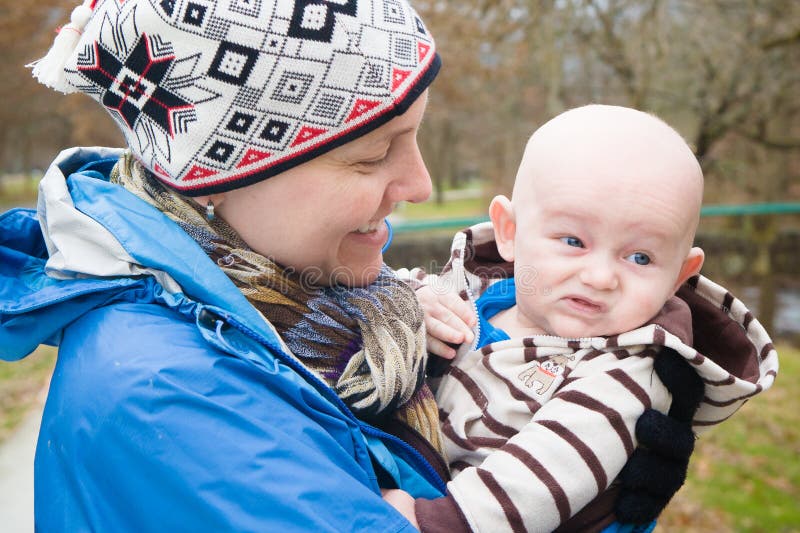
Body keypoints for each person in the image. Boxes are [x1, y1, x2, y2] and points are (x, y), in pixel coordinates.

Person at [0, 1, 720, 530]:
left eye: (414, 138)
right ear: (219, 174)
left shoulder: (298, 312)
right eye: (373, 153)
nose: (421, 185)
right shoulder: (174, 393)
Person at [405, 105, 779, 532]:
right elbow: (393, 293)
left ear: (679, 277)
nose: (600, 277)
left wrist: (433, 524)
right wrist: (410, 303)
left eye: (640, 257)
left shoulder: (626, 371)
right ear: (509, 231)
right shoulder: (472, 291)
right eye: (573, 240)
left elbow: (537, 481)